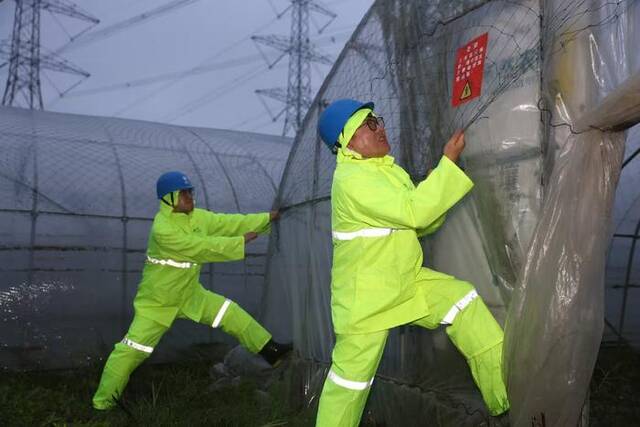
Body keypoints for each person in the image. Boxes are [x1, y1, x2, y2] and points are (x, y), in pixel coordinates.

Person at [314, 99, 510, 426]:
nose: (381, 127)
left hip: (405, 282)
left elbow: (420, 224)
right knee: (349, 385)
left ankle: (503, 397)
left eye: (379, 120)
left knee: (462, 301)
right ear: (347, 140)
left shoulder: (387, 173)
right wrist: (447, 165)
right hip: (367, 301)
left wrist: (437, 181)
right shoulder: (351, 179)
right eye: (370, 123)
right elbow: (417, 210)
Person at [92, 171, 291, 410]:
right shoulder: (163, 230)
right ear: (168, 198)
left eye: (190, 192)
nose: (189, 197)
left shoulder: (197, 217)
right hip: (157, 303)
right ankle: (102, 404)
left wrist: (266, 218)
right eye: (183, 193)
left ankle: (272, 352)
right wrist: (240, 242)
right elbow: (199, 248)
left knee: (230, 313)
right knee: (129, 352)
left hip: (189, 294)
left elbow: (227, 222)